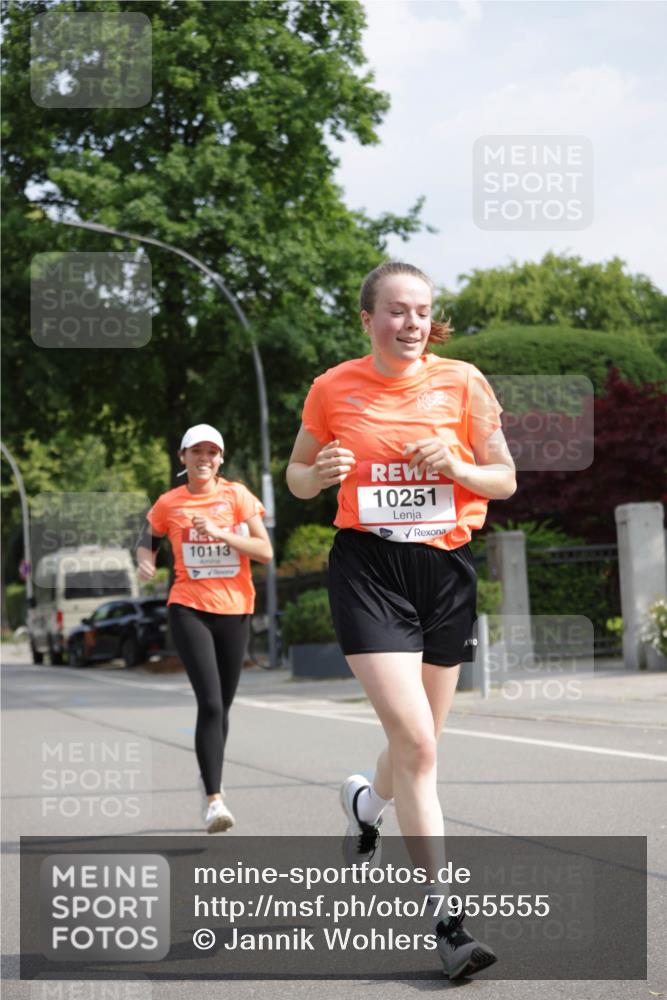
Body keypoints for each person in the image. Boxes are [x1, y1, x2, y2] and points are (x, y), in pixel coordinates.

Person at [286, 262, 516, 979]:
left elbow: (502, 479)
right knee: (418, 743)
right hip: (369, 568)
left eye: (420, 311)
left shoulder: (463, 382)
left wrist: (455, 464)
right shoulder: (332, 387)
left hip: (444, 572)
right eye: (394, 311)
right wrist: (316, 474)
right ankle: (446, 922)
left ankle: (364, 801)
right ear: (367, 320)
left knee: (415, 745)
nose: (410, 323)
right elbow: (295, 476)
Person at [137, 424, 273, 833]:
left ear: (221, 460)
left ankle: (207, 774)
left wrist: (219, 533)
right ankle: (214, 800)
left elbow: (265, 551)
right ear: (183, 457)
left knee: (223, 706)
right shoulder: (169, 503)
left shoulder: (237, 497)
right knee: (210, 703)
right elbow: (149, 538)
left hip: (235, 608)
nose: (204, 459)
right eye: (196, 452)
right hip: (188, 607)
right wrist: (145, 560)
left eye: (212, 453)